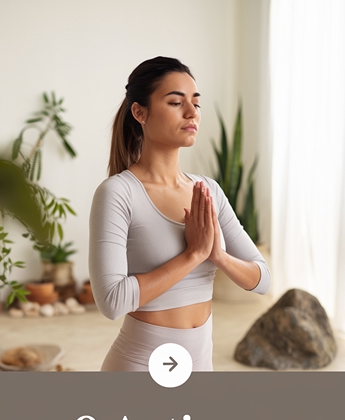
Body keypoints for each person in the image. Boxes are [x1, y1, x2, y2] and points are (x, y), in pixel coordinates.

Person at [89, 56, 270, 371]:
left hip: (200, 364)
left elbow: (262, 279)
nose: (192, 113)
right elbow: (112, 302)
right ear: (139, 112)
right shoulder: (118, 193)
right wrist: (194, 254)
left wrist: (219, 256)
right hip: (139, 364)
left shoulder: (208, 190)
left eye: (196, 104)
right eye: (175, 102)